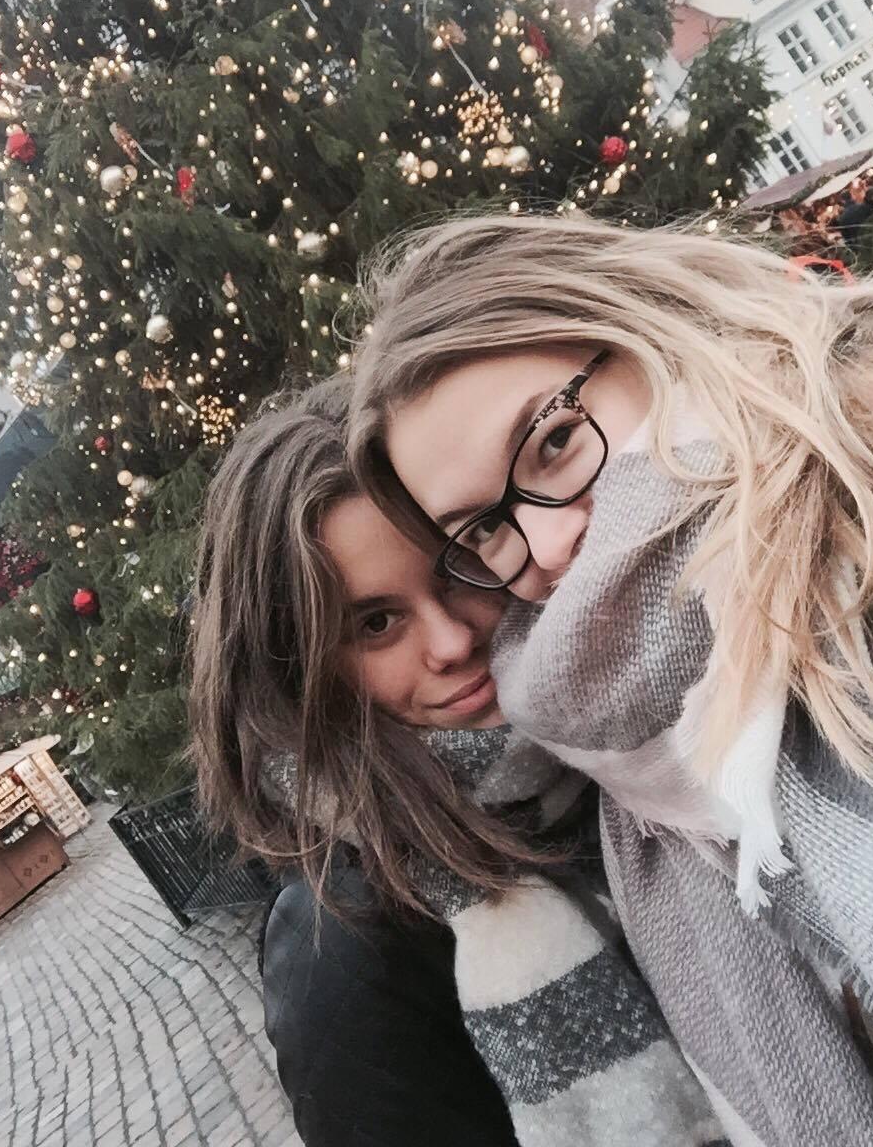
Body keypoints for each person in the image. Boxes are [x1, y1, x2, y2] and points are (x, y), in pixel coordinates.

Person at [348, 212, 873, 1145]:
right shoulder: (631, 776)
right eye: (484, 531)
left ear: (651, 325)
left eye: (553, 442)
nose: (546, 546)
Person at [187, 378, 739, 1147]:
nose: (452, 642)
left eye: (457, 568)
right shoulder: (345, 949)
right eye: (376, 623)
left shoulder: (637, 739)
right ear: (298, 673)